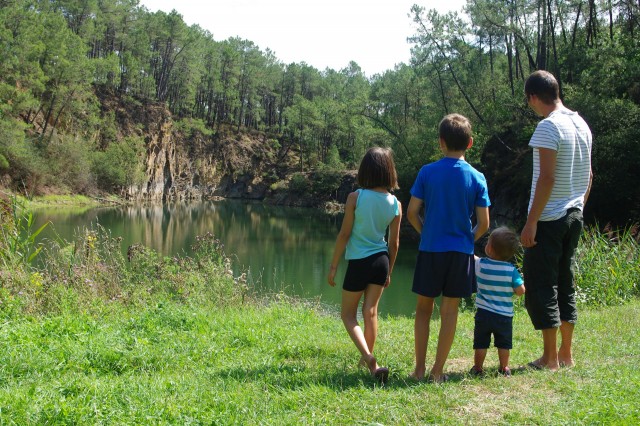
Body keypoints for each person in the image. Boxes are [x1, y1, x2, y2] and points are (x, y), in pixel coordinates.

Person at [407, 113, 490, 383]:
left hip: (431, 249)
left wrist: (425, 232)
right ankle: (437, 371)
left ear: (441, 142)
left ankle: (418, 369)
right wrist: (467, 240)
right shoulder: (477, 177)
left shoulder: (427, 172)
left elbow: (411, 213)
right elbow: (484, 223)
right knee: (450, 311)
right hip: (460, 253)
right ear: (470, 143)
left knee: (423, 309)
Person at [521, 70, 593, 371]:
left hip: (550, 218)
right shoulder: (581, 124)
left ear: (535, 97)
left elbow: (547, 178)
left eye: (529, 101)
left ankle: (549, 358)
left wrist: (531, 222)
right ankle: (566, 354)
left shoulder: (548, 127)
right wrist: (577, 207)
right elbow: (589, 176)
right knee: (565, 282)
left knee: (542, 284)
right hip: (575, 214)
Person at [328, 147, 402, 384]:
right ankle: (370, 363)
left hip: (359, 261)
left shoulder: (356, 197)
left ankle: (369, 358)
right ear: (389, 172)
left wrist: (333, 266)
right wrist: (389, 271)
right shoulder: (395, 204)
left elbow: (344, 234)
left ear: (365, 170)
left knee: (348, 315)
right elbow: (395, 244)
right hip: (381, 261)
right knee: (371, 312)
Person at [469, 226, 525, 378]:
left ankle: (478, 368)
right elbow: (521, 290)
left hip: (484, 313)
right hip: (504, 316)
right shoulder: (511, 270)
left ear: (490, 249)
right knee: (504, 343)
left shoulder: (481, 265)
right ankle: (504, 367)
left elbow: (470, 258)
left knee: (481, 342)